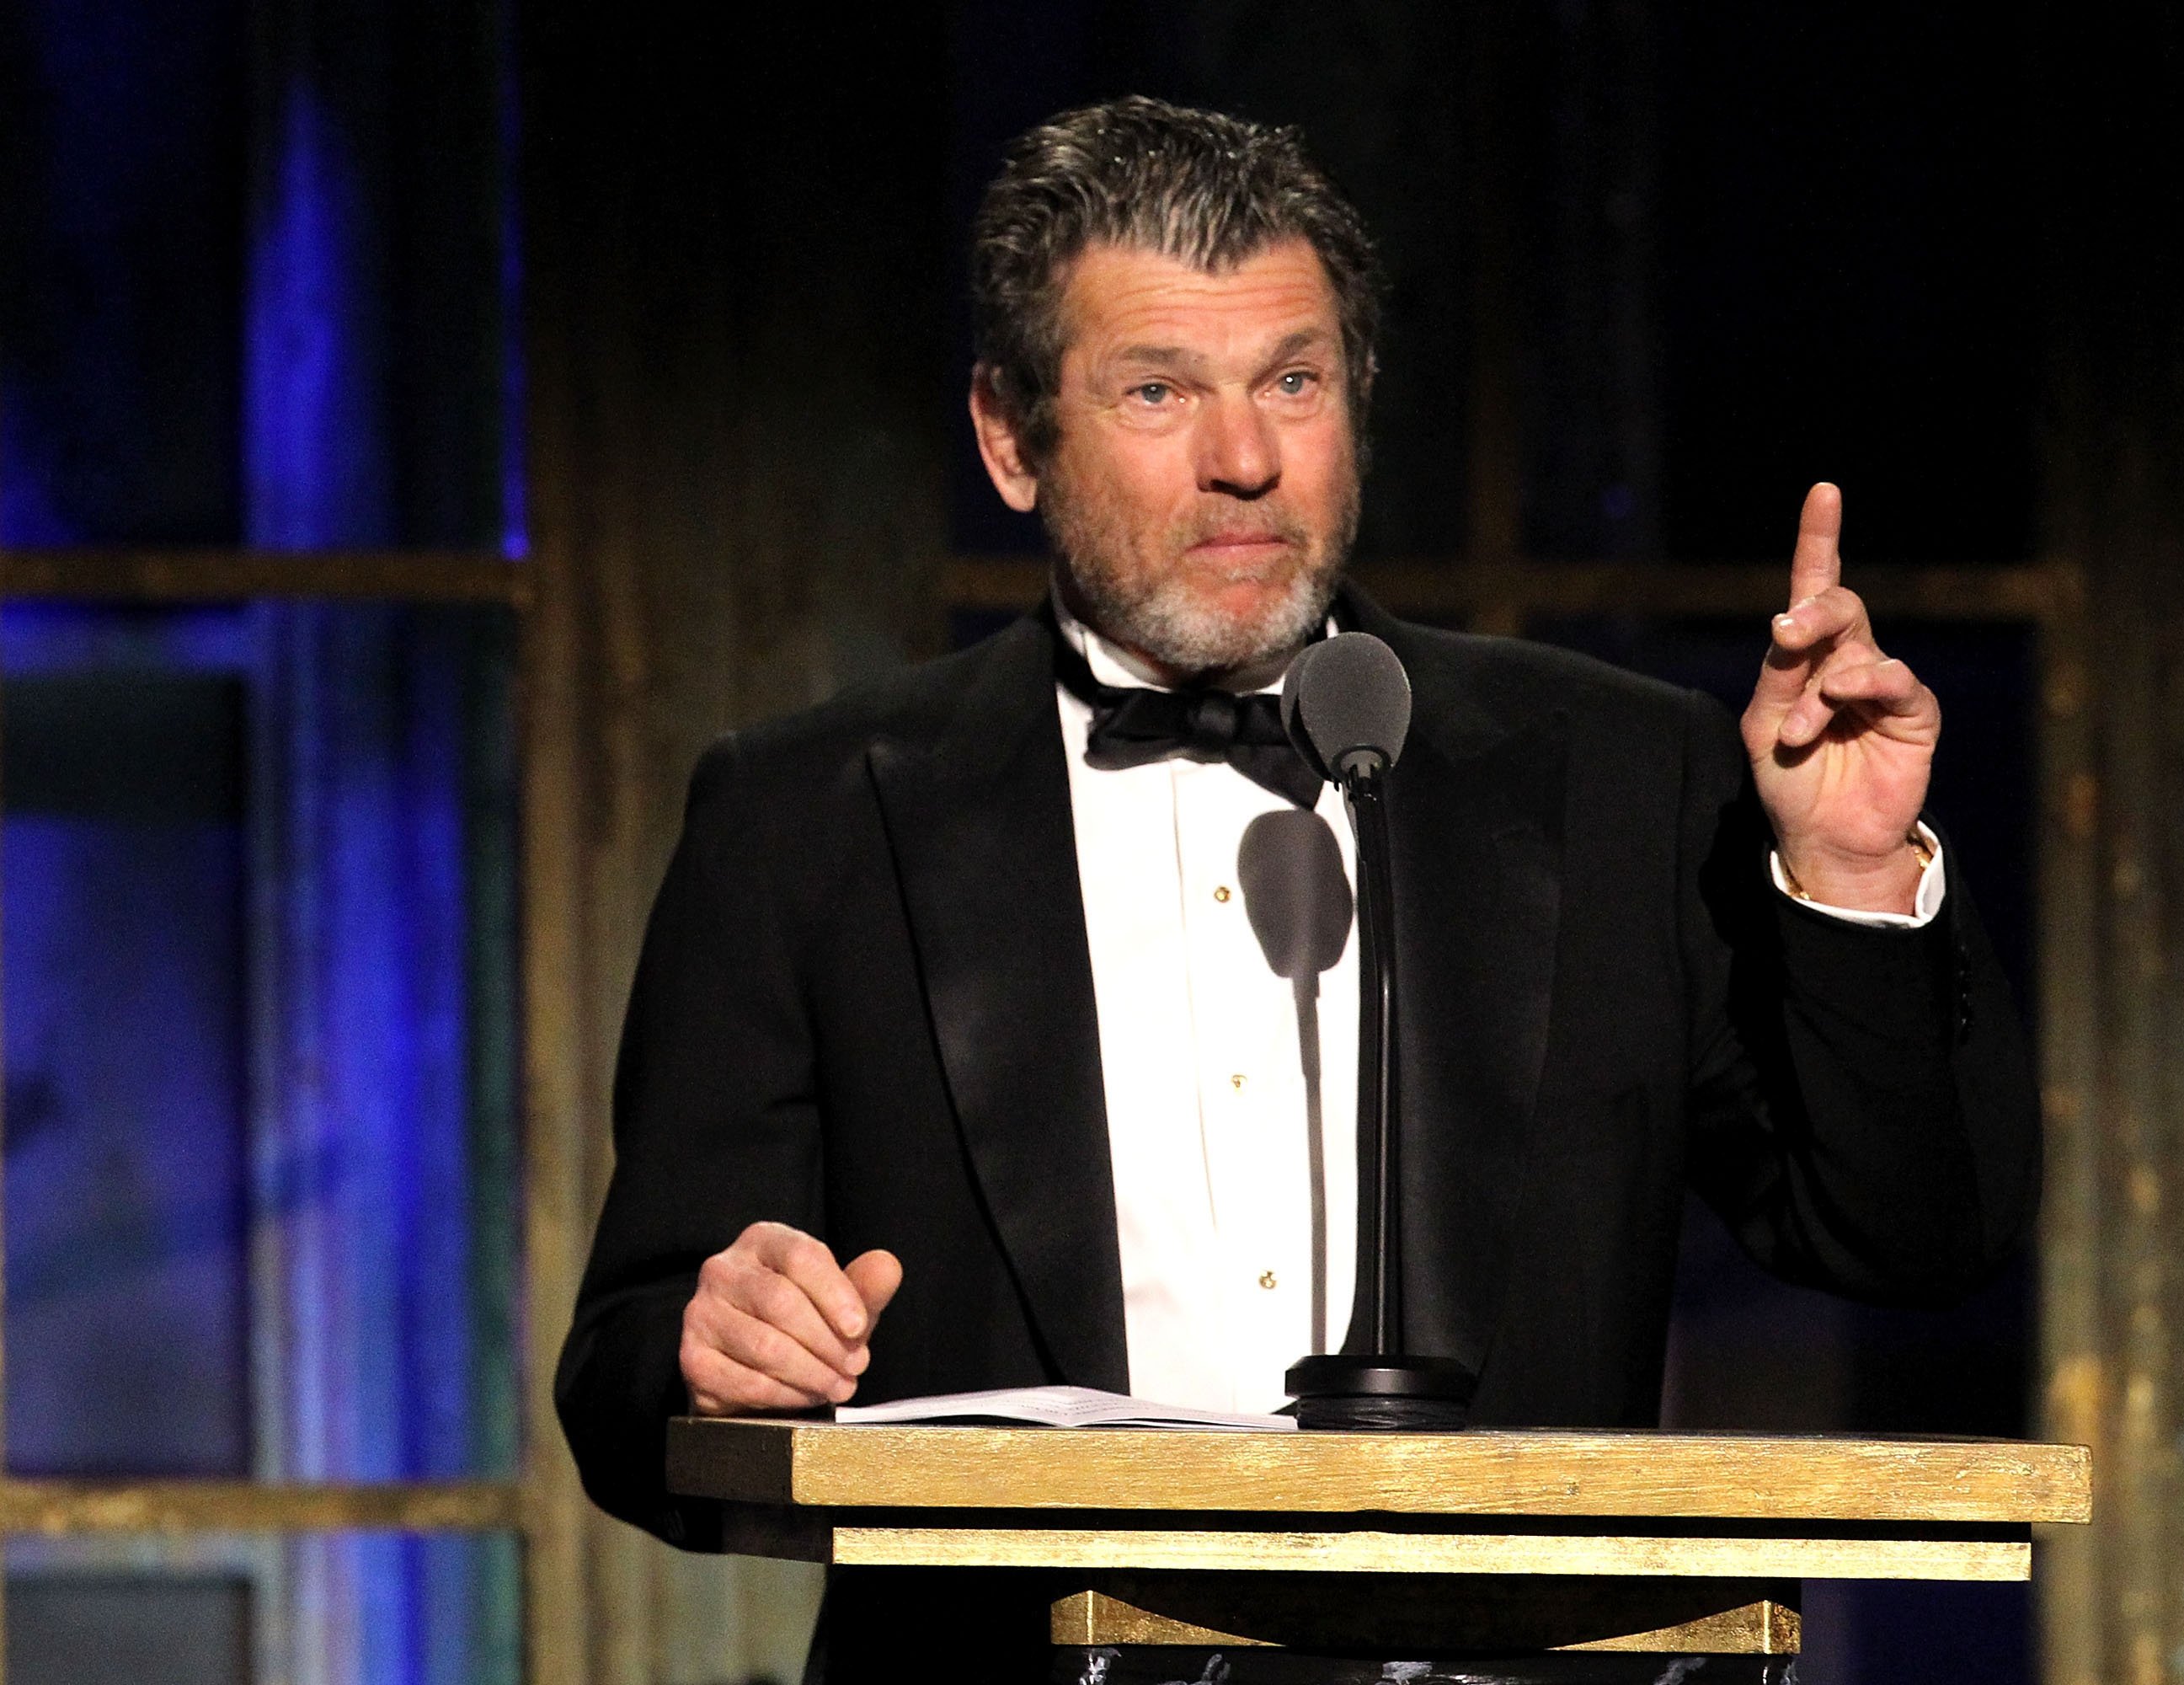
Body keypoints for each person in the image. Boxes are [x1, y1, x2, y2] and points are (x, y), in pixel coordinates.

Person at [557, 95, 2038, 1682]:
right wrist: (719, 1356)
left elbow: (1912, 1238)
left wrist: (1855, 877)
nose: (1246, 458)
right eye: (1156, 389)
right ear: (1009, 436)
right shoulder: (810, 816)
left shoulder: (1620, 774)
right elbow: (630, 1379)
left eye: (1292, 380)